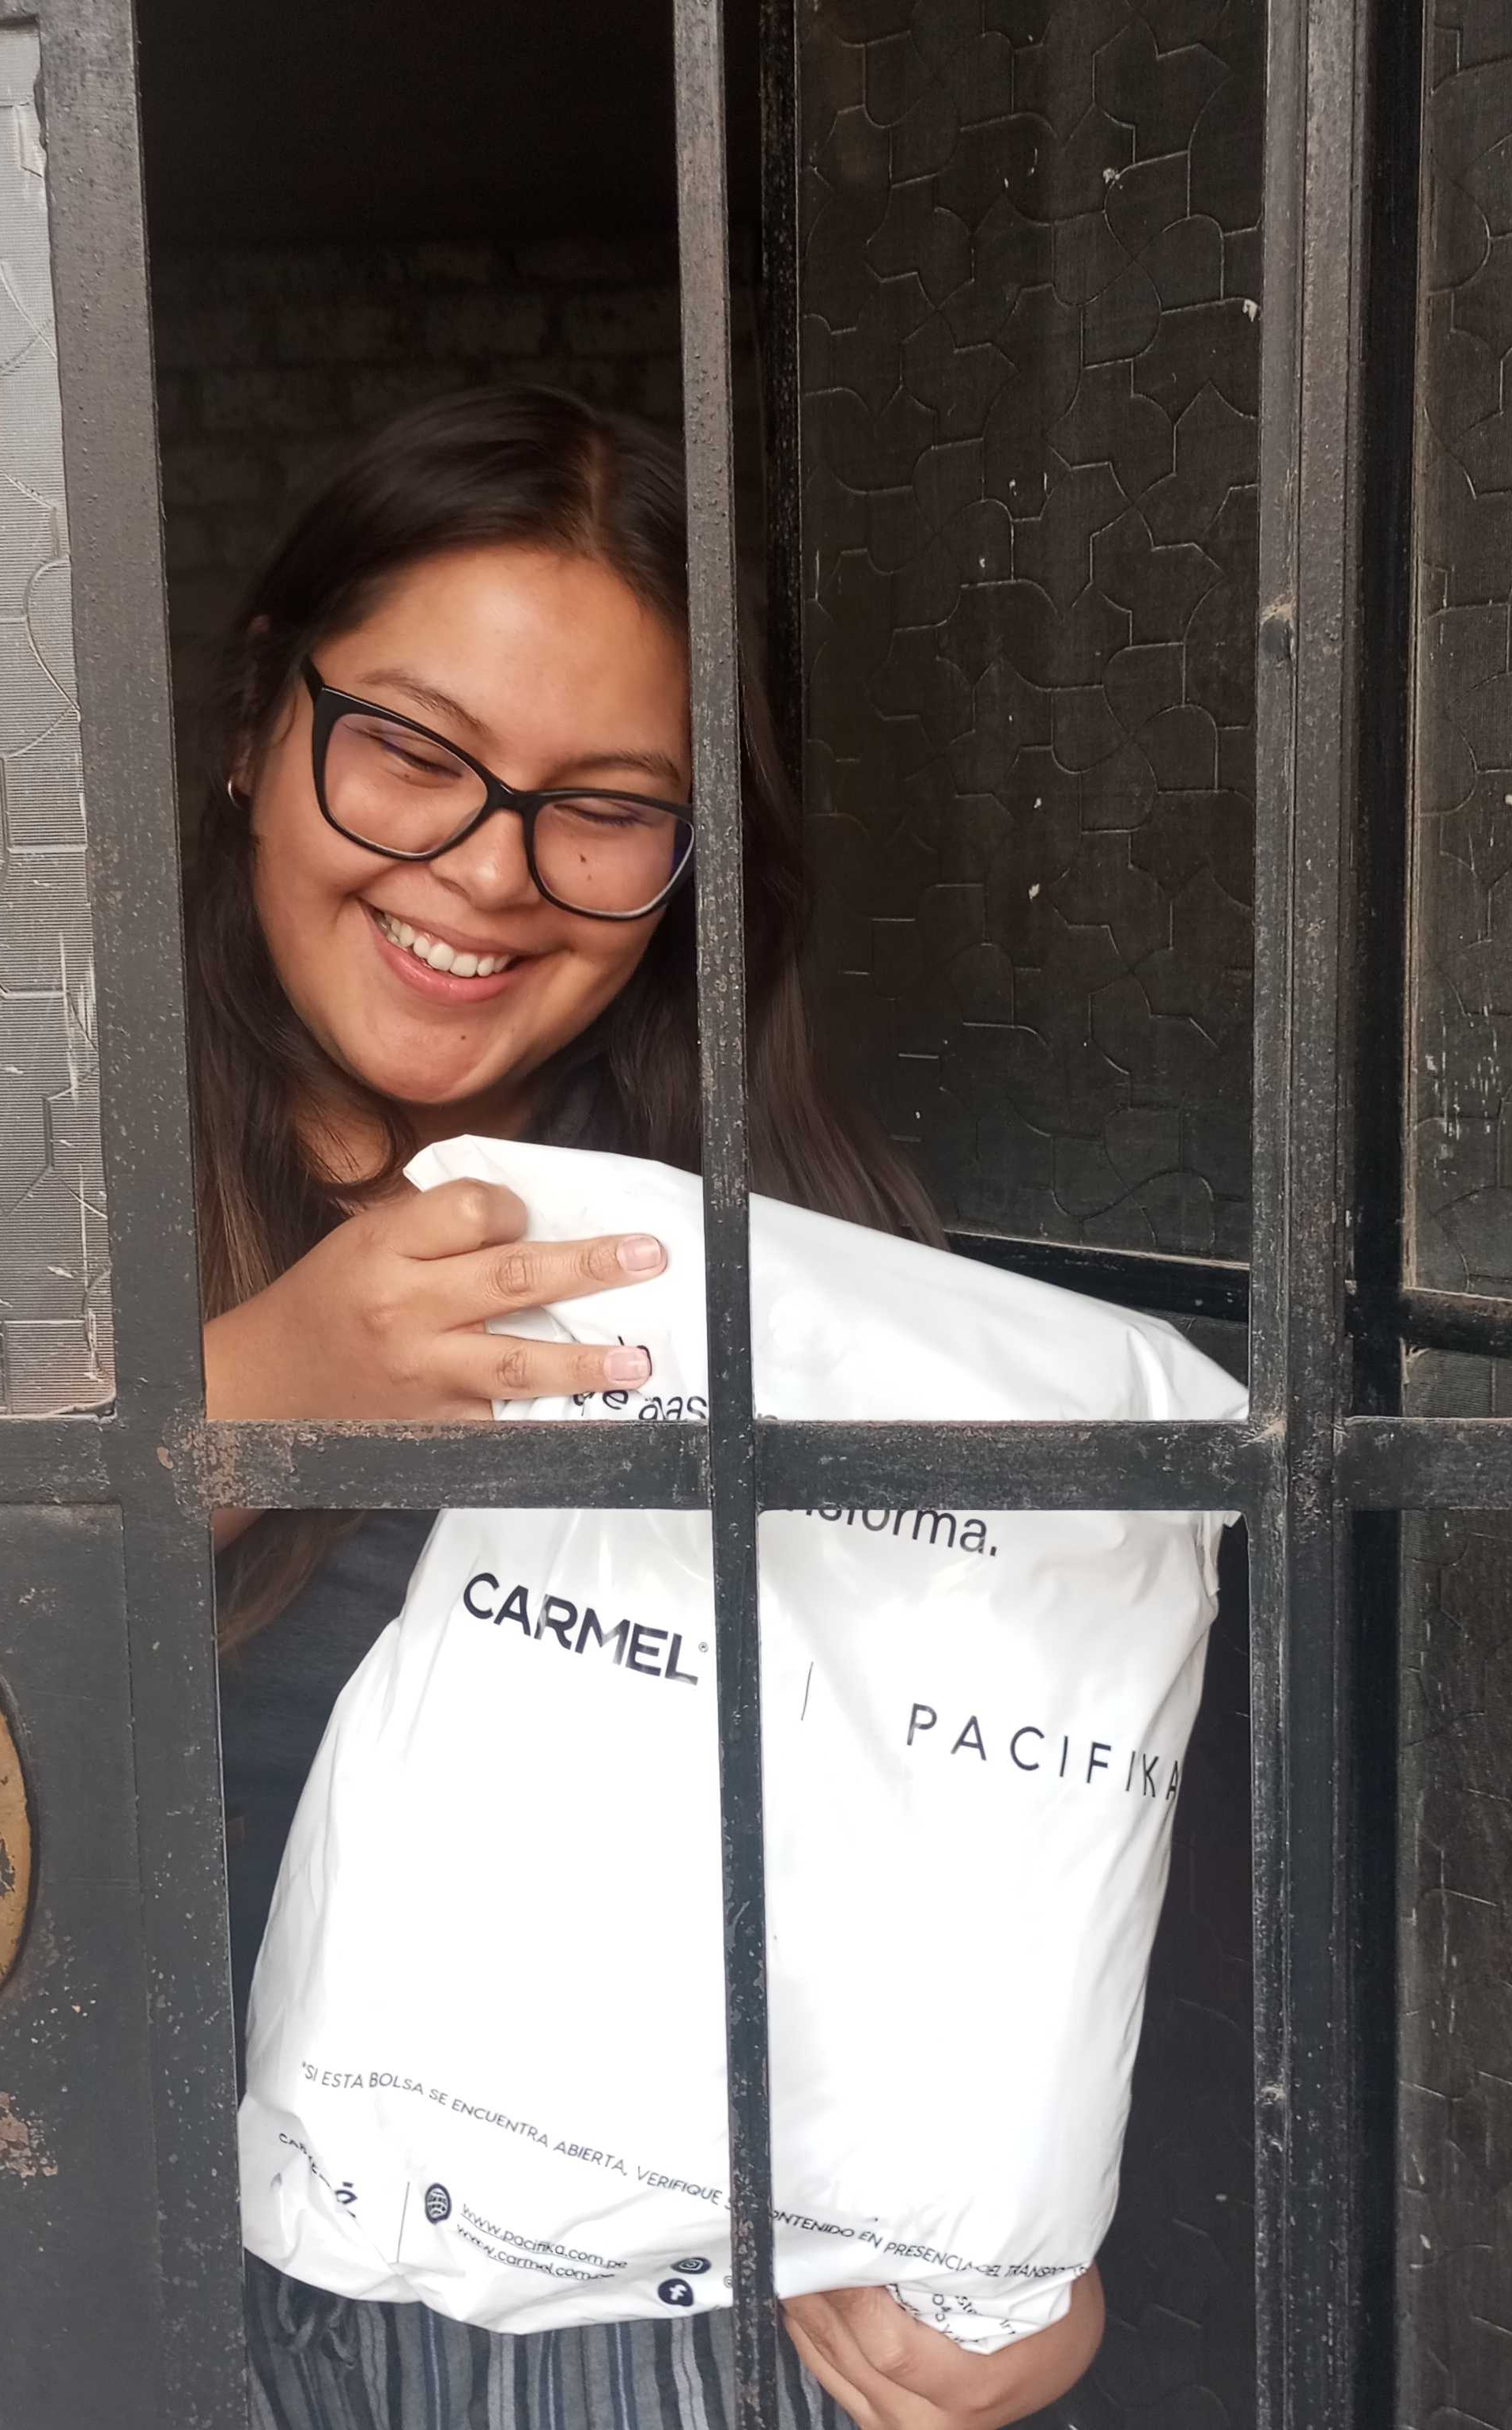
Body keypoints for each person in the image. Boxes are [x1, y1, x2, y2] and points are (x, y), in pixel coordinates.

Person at [189, 384, 1106, 2430]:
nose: (485, 871)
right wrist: (257, 1401)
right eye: (412, 750)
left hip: (663, 2348)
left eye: (603, 808)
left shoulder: (815, 1263)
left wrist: (1010, 2281)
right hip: (149, 2299)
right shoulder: (5, 1204)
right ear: (260, 716)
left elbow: (985, 1844)